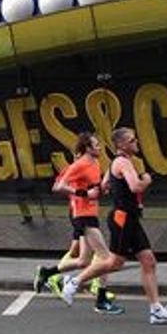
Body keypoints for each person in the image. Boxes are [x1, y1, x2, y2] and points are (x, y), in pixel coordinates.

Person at [60, 127, 167, 324]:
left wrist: (106, 189)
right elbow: (136, 186)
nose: (137, 142)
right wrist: (146, 180)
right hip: (122, 219)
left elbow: (104, 185)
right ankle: (73, 282)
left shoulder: (117, 164)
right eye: (132, 140)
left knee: (148, 260)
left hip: (130, 218)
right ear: (122, 145)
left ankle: (156, 310)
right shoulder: (123, 162)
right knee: (114, 263)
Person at [35, 132, 122, 314]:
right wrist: (83, 194)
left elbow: (92, 187)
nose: (100, 147)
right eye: (96, 145)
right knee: (107, 259)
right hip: (82, 214)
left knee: (83, 260)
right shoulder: (80, 164)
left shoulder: (95, 163)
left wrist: (101, 189)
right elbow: (58, 186)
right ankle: (101, 300)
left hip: (91, 212)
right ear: (87, 148)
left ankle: (47, 273)